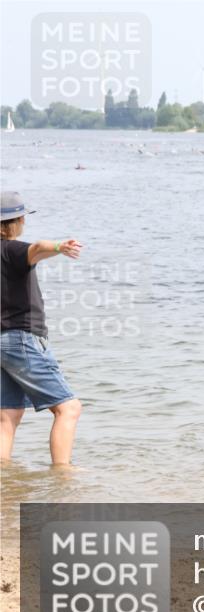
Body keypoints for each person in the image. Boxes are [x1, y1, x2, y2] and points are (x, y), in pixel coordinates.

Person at [1, 191, 84, 465]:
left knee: (8, 414)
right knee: (68, 408)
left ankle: (5, 479)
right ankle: (63, 477)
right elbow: (36, 249)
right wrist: (59, 246)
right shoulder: (12, 251)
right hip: (19, 339)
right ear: (19, 220)